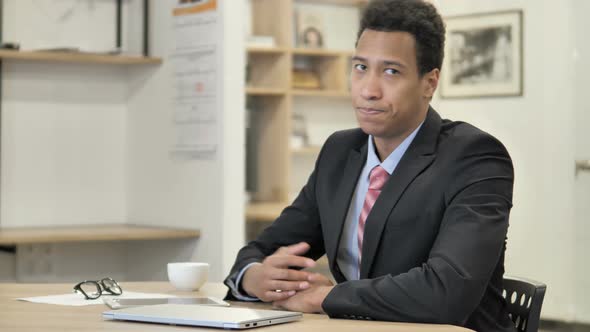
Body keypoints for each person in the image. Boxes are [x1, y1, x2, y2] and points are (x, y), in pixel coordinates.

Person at [224, 0, 516, 331]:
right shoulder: (340, 151)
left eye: (391, 71)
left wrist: (325, 298)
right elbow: (262, 250)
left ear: (429, 83)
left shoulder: (474, 157)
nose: (369, 89)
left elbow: (447, 291)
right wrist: (254, 277)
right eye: (361, 67)